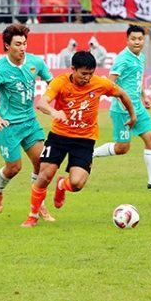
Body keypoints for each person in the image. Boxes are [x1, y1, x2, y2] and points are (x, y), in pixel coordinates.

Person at [22, 51, 136, 227]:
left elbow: (122, 94)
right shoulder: (60, 82)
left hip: (85, 139)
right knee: (45, 175)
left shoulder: (100, 83)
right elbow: (41, 103)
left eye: (91, 74)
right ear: (73, 69)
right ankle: (33, 216)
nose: (87, 78)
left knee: (76, 184)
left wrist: (132, 115)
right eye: (83, 74)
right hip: (59, 136)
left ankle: (62, 186)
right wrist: (54, 112)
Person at [0, 23, 54, 221]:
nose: (23, 48)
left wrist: (49, 99)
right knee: (14, 168)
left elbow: (52, 83)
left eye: (24, 43)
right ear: (7, 46)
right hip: (8, 126)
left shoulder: (35, 62)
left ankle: (38, 204)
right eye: (18, 44)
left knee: (42, 163)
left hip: (30, 122)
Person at [93, 25, 151, 189]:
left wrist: (145, 96)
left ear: (144, 40)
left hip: (138, 107)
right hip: (123, 110)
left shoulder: (140, 57)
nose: (137, 42)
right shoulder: (122, 59)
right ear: (127, 40)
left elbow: (136, 78)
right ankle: (90, 154)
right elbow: (110, 82)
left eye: (140, 39)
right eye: (133, 39)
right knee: (122, 148)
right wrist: (121, 102)